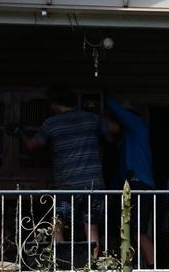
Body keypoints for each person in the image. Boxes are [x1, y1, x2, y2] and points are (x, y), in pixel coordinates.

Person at [15, 87, 106, 250]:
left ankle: (62, 266)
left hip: (67, 185)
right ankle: (92, 270)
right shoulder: (92, 119)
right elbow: (115, 129)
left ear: (55, 104)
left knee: (56, 225)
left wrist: (19, 132)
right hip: (93, 184)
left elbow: (31, 145)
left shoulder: (51, 124)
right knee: (91, 229)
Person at [104, 97, 155, 268]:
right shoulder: (126, 140)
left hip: (140, 184)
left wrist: (105, 96)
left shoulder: (136, 124)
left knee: (137, 229)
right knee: (126, 229)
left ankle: (155, 270)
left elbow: (114, 106)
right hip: (131, 185)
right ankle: (132, 269)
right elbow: (121, 173)